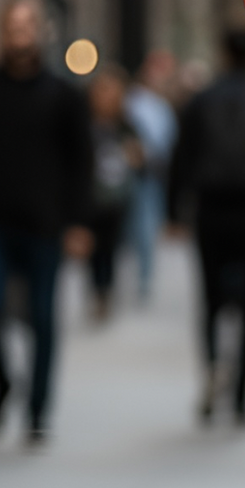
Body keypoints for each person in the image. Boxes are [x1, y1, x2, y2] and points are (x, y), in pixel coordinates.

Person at [169, 30, 245, 426]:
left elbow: (181, 156)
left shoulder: (202, 100)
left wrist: (174, 212)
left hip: (212, 209)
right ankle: (242, 396)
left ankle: (211, 369)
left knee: (209, 297)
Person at [0, 0, 94, 441]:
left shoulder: (63, 94)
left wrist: (79, 222)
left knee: (42, 316)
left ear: (40, 32)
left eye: (28, 25)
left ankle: (37, 410)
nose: (20, 34)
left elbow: (81, 161)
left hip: (46, 222)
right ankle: (5, 380)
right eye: (13, 26)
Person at [84, 64, 144, 322]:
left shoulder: (126, 126)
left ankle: (106, 290)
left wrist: (135, 156)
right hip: (90, 196)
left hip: (117, 197)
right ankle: (97, 290)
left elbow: (141, 160)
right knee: (92, 249)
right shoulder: (85, 124)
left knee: (111, 247)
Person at [123, 49, 179, 302]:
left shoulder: (162, 106)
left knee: (146, 227)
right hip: (129, 173)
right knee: (132, 226)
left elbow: (168, 143)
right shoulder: (133, 102)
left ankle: (142, 279)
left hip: (152, 174)